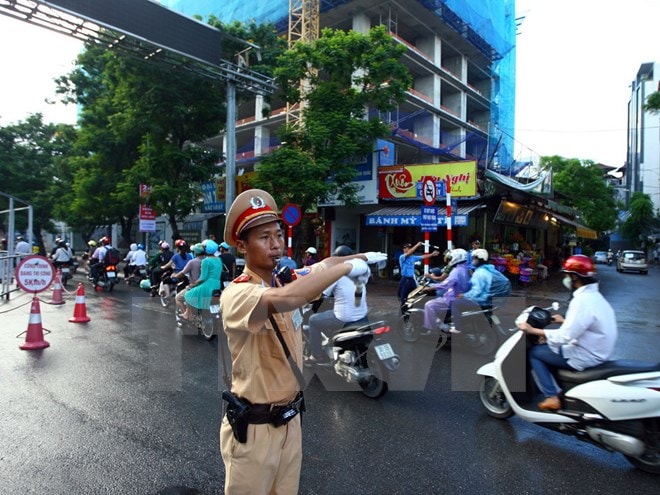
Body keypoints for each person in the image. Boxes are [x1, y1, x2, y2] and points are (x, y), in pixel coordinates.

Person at [218, 188, 373, 495]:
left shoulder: (283, 278)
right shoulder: (238, 294)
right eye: (264, 238)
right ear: (241, 246)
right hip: (255, 430)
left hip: (291, 422)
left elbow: (323, 265)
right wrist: (347, 269)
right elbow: (290, 298)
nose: (276, 245)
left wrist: (363, 257)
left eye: (278, 235)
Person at [517, 254, 618, 411]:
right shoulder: (594, 297)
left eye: (567, 275)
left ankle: (551, 397)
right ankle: (560, 389)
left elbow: (565, 336)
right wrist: (564, 321)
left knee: (536, 352)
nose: (565, 279)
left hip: (587, 354)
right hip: (598, 350)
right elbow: (589, 323)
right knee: (548, 349)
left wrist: (533, 330)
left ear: (575, 277)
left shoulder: (582, 300)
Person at [307, 245, 380, 363]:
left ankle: (316, 356)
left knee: (313, 320)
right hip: (362, 316)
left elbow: (323, 293)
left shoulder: (336, 274)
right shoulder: (362, 270)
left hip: (344, 318)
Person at [422, 248, 472, 332]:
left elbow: (445, 284)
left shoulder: (456, 271)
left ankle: (439, 327)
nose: (449, 259)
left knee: (429, 305)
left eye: (451, 257)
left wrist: (431, 287)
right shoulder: (467, 268)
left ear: (456, 257)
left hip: (453, 297)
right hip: (463, 295)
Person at [180, 240, 223, 320]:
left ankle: (188, 315)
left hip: (207, 285)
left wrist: (192, 285)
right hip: (217, 285)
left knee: (188, 295)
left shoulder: (206, 261)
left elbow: (202, 278)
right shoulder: (218, 260)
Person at [397, 241, 440, 312]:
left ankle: (411, 312)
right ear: (403, 249)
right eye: (405, 248)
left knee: (414, 297)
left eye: (408, 248)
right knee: (404, 299)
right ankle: (403, 317)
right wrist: (417, 245)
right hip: (405, 280)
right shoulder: (402, 257)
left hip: (411, 280)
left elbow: (423, 257)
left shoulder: (413, 257)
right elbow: (409, 253)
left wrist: (432, 254)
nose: (407, 249)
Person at [173, 243, 205, 320]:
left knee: (178, 298)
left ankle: (188, 315)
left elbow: (182, 273)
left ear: (195, 252)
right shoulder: (208, 261)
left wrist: (175, 276)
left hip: (195, 287)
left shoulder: (192, 262)